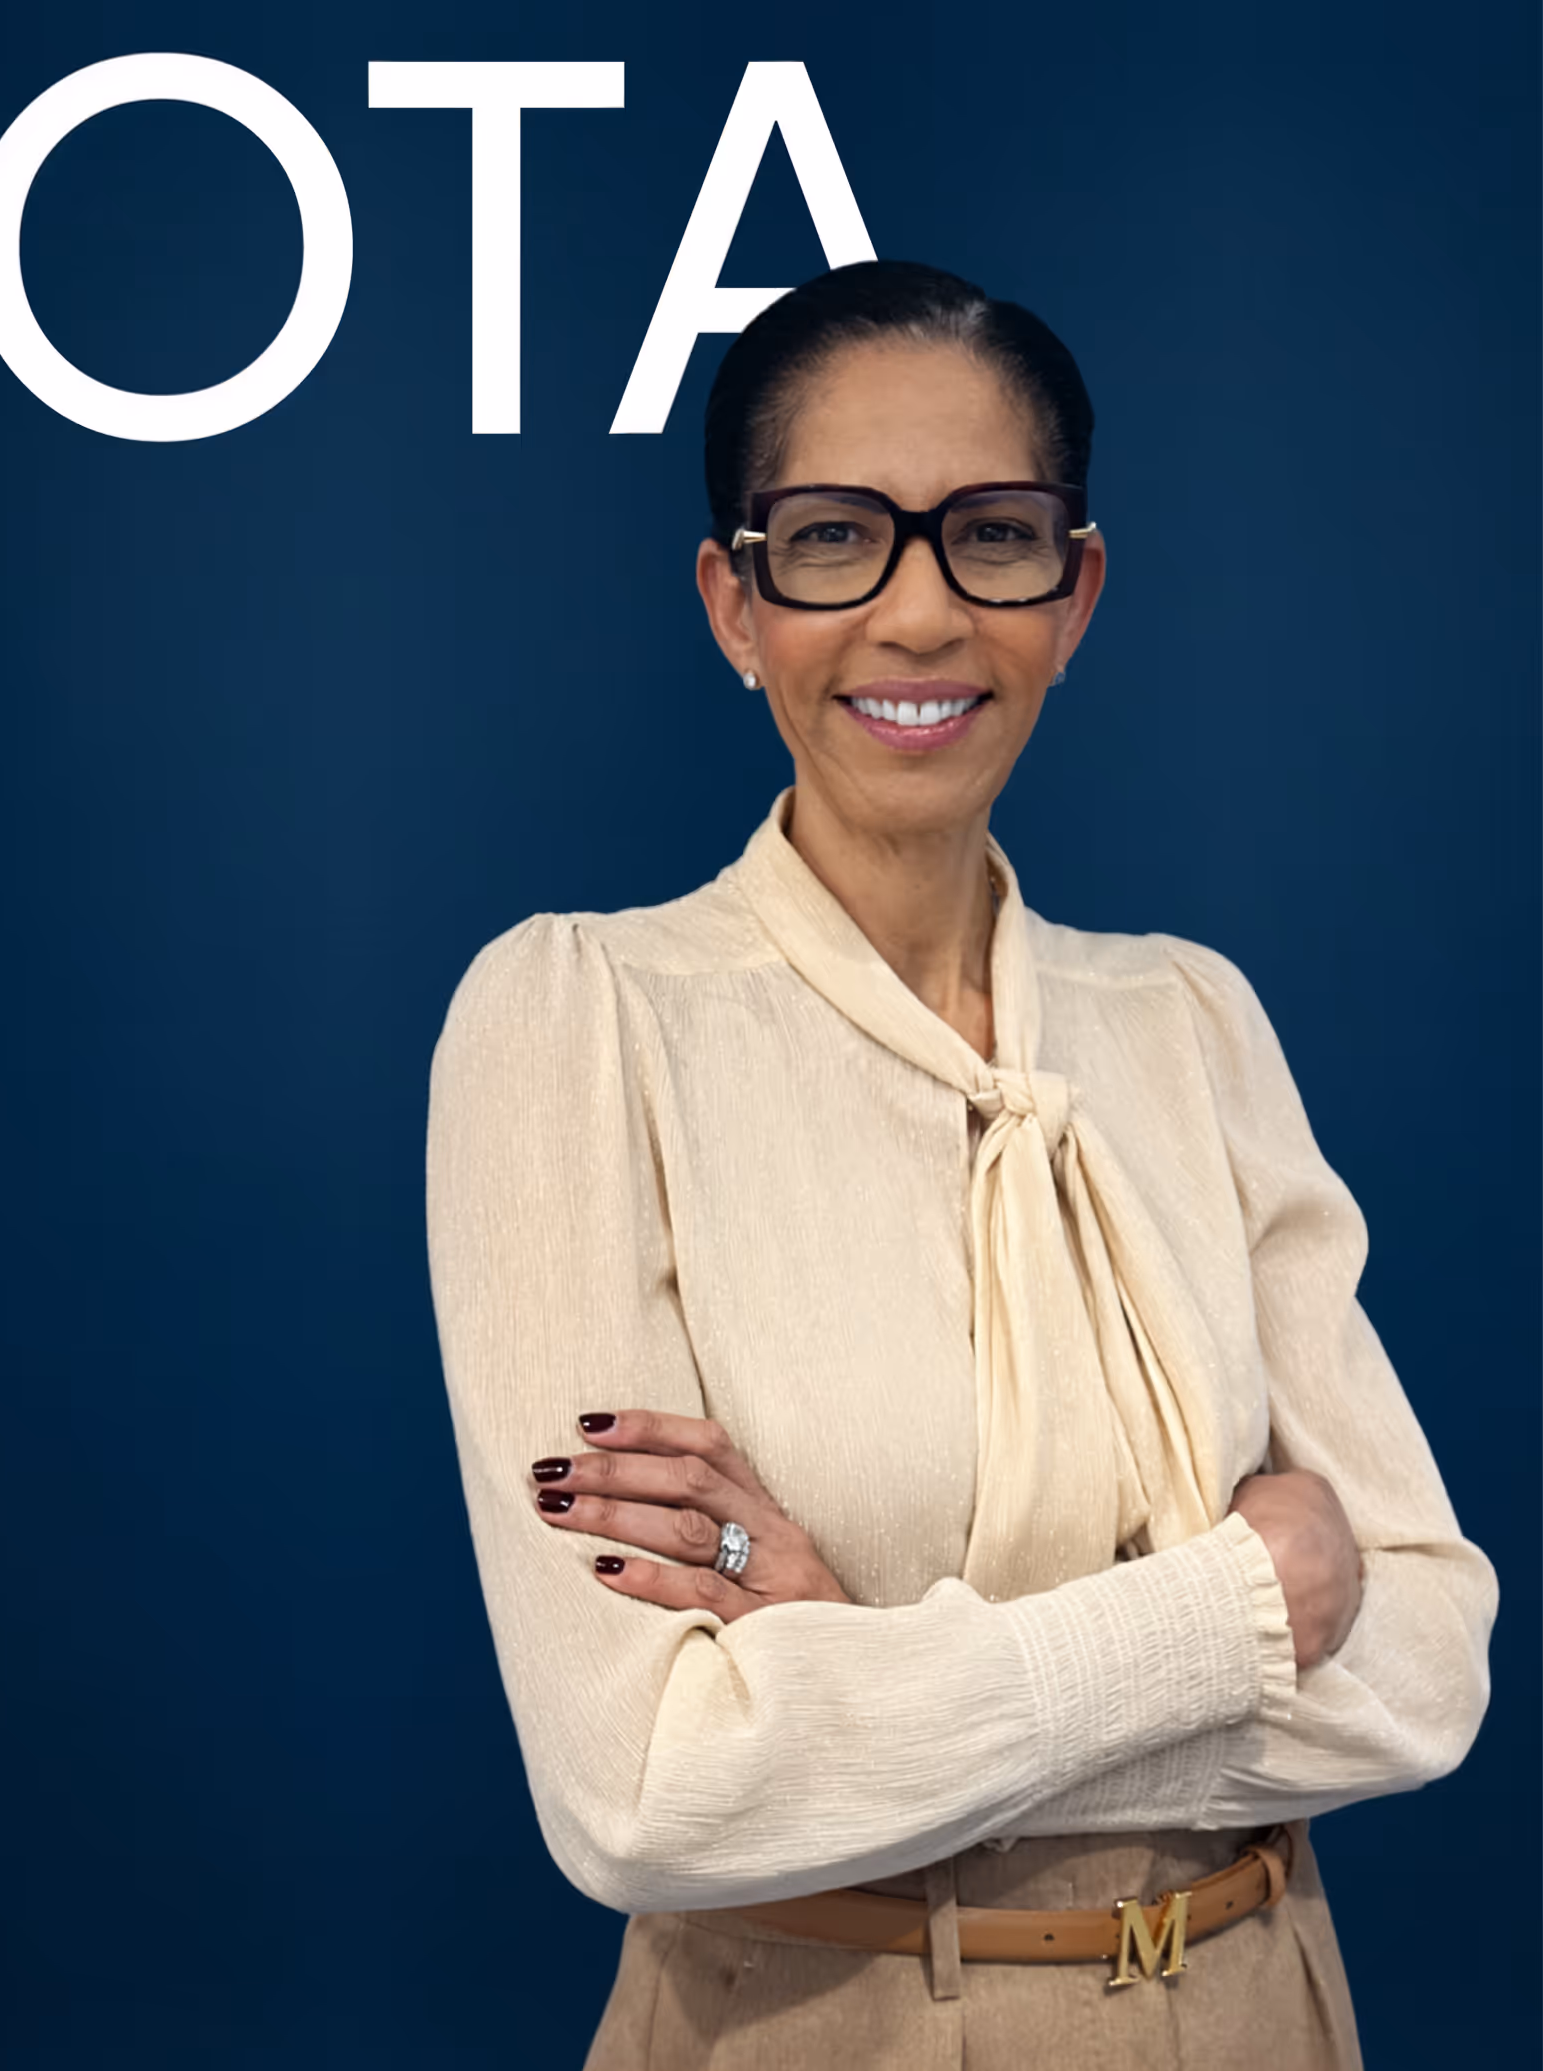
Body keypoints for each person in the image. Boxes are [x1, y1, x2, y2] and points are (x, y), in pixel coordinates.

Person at [424, 259, 1498, 2070]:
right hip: (820, 2028)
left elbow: (1431, 1659)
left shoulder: (1192, 1021)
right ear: (736, 601)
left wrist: (860, 1667)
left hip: (1262, 2004)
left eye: (992, 536)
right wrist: (1232, 1608)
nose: (919, 612)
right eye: (834, 540)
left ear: (1075, 594)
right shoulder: (578, 1018)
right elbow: (648, 1788)